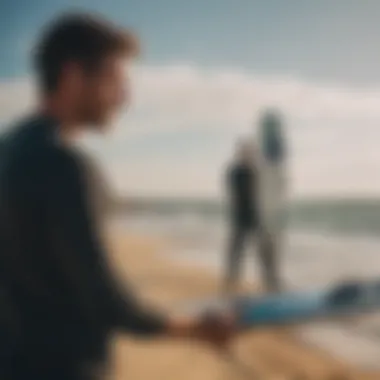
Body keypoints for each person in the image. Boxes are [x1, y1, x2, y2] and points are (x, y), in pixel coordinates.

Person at [0, 13, 235, 380]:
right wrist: (197, 328)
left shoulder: (9, 149)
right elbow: (106, 301)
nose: (124, 98)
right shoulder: (65, 166)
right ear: (74, 75)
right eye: (114, 80)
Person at [224, 138, 279, 293]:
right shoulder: (236, 172)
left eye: (252, 153)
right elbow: (241, 194)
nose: (251, 155)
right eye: (247, 153)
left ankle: (271, 281)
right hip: (241, 218)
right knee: (236, 253)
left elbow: (264, 193)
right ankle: (230, 281)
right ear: (241, 154)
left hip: (256, 218)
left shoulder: (255, 171)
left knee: (266, 251)